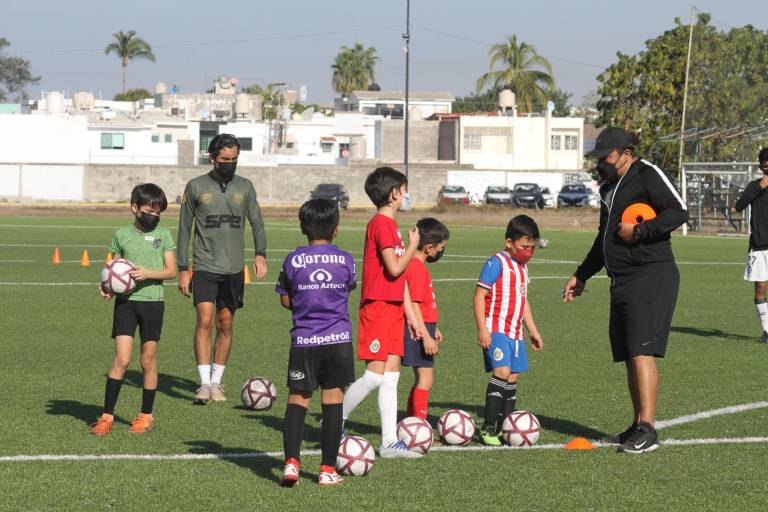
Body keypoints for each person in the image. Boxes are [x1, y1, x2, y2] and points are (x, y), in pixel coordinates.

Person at [563, 127, 688, 454]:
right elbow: (603, 239)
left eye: (605, 156)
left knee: (641, 350)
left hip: (651, 275)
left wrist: (641, 230)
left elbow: (678, 211)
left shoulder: (647, 174)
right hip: (622, 280)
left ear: (625, 153)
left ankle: (648, 429)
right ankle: (636, 426)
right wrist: (582, 274)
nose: (601, 162)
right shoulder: (609, 187)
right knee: (630, 353)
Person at [177, 133, 267, 404]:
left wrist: (260, 255)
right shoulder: (195, 186)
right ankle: (203, 384)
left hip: (233, 269)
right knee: (204, 320)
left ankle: (217, 383)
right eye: (225, 159)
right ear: (212, 158)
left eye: (234, 159)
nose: (230, 163)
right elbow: (184, 229)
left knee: (225, 323)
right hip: (204, 265)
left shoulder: (246, 187)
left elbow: (257, 222)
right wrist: (183, 268)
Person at [341, 166, 422, 458]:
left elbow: (398, 281)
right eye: (404, 189)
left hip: (393, 308)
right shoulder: (382, 224)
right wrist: (414, 246)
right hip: (377, 306)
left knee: (391, 377)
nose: (406, 195)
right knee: (375, 376)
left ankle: (389, 442)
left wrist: (412, 317)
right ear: (394, 193)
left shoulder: (391, 226)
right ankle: (335, 419)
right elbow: (395, 267)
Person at [276, 199, 356, 487]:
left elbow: (287, 299)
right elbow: (345, 291)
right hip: (338, 340)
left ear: (302, 227)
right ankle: (326, 470)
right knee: (333, 400)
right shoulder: (346, 260)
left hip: (304, 340)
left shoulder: (292, 260)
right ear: (336, 230)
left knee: (298, 399)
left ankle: (291, 465)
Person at [91, 183, 177, 435]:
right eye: (150, 210)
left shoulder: (164, 235)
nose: (154, 215)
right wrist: (107, 287)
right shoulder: (121, 235)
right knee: (122, 359)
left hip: (153, 302)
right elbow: (111, 269)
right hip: (126, 304)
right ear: (134, 207)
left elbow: (170, 271)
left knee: (148, 360)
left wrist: (147, 273)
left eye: (158, 211)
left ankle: (145, 415)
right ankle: (106, 417)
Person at [473, 215, 543, 446]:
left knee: (513, 377)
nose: (528, 252)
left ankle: (507, 428)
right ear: (509, 242)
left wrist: (532, 330)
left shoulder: (522, 268)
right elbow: (479, 296)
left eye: (532, 247)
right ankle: (488, 428)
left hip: (515, 333)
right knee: (501, 372)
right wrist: (483, 329)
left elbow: (524, 302)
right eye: (524, 247)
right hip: (496, 328)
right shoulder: (496, 263)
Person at [403, 217, 450, 420]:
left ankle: (411, 422)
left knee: (421, 378)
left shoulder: (416, 265)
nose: (440, 252)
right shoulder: (416, 267)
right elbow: (413, 304)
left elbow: (422, 303)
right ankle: (419, 426)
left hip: (425, 326)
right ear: (429, 247)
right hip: (419, 330)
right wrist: (426, 336)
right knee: (425, 379)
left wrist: (433, 328)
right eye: (440, 248)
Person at [734, 148, 768, 344]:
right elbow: (739, 206)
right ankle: (766, 331)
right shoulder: (754, 186)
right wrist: (760, 187)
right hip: (759, 246)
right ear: (761, 167)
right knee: (760, 287)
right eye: (765, 167)